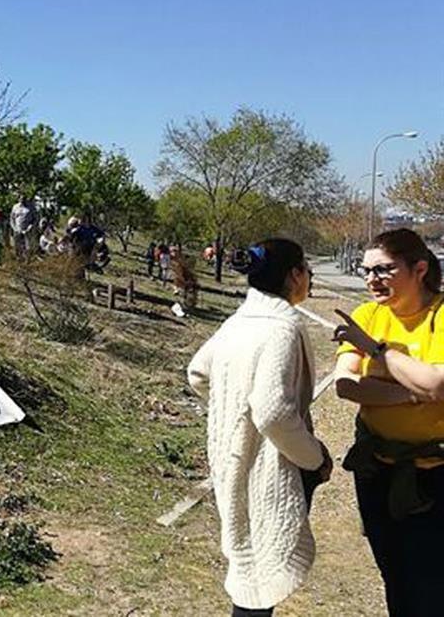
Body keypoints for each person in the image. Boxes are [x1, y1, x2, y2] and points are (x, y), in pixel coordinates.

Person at [187, 239, 330, 617]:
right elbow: (272, 413)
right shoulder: (282, 327)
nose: (309, 279)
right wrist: (314, 457)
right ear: (294, 274)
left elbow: (198, 373)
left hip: (232, 455)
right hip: (272, 465)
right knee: (259, 577)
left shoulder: (238, 322)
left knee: (246, 563)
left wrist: (230, 414)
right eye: (307, 270)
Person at [331, 228, 444, 616]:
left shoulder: (440, 316)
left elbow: (439, 383)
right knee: (394, 575)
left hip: (436, 475)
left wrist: (377, 352)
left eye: (383, 269)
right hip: (376, 470)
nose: (371, 279)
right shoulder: (366, 315)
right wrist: (412, 393)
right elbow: (345, 384)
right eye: (366, 271)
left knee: (430, 584)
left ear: (419, 268)